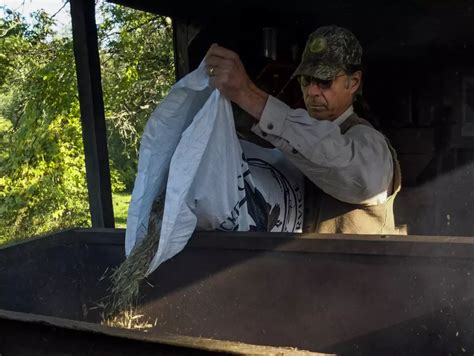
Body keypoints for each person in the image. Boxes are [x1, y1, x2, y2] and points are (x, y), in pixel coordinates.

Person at [204, 25, 403, 235]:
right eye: (306, 80)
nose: (312, 91)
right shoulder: (292, 137)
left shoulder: (370, 144)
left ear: (353, 82)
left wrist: (248, 94)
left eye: (325, 81)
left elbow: (340, 162)